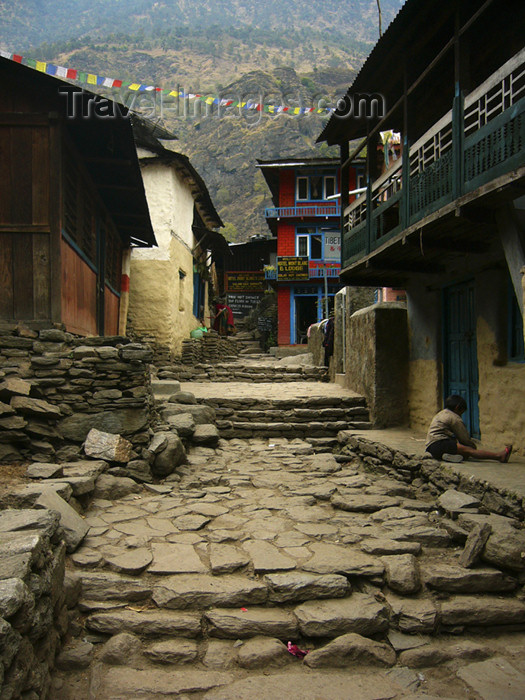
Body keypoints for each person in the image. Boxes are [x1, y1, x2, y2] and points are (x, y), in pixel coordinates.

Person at [425, 394, 512, 463]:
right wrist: (472, 448)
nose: (461, 415)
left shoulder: (442, 413)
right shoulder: (454, 418)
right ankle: (499, 456)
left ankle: (448, 455)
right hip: (440, 444)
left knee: (462, 450)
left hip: (431, 447)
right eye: (461, 412)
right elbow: (465, 439)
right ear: (457, 408)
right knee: (470, 451)